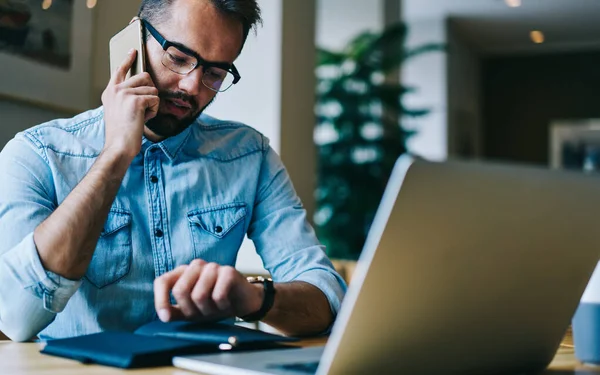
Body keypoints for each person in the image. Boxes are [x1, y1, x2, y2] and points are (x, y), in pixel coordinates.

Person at [0, 0, 346, 342]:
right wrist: (116, 154)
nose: (192, 86)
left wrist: (256, 299)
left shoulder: (249, 155)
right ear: (134, 40)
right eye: (179, 58)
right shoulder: (37, 155)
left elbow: (327, 298)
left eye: (215, 73)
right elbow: (16, 317)